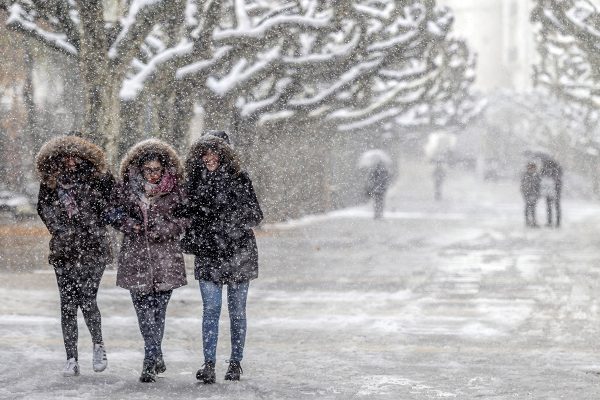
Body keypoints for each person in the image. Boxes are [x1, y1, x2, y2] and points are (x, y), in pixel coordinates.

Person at [181, 133, 263, 384]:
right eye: (204, 153)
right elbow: (185, 214)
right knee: (211, 310)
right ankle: (208, 364)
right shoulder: (193, 181)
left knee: (237, 311)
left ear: (225, 153)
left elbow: (255, 215)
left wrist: (229, 220)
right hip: (208, 254)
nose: (209, 158)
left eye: (214, 152)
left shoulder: (240, 178)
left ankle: (235, 363)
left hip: (239, 253)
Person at [36, 135, 113, 377]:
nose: (70, 160)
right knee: (67, 305)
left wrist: (93, 222)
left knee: (88, 299)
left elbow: (112, 204)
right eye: (65, 155)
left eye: (75, 154)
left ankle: (98, 344)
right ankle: (71, 358)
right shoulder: (51, 180)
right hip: (64, 250)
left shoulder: (98, 178)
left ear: (84, 155)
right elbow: (43, 207)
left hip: (94, 249)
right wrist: (60, 228)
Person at [111, 139, 187, 383]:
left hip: (166, 259)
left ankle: (151, 356)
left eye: (157, 170)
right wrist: (130, 225)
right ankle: (152, 356)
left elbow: (187, 218)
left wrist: (168, 228)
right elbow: (113, 213)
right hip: (136, 259)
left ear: (164, 169)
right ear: (139, 169)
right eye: (148, 170)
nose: (152, 175)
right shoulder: (126, 189)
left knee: (158, 313)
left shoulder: (176, 189)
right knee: (143, 313)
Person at [520, 161, 541, 227]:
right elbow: (523, 185)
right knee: (528, 207)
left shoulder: (536, 175)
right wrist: (524, 192)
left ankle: (533, 221)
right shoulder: (526, 175)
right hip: (527, 193)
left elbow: (539, 185)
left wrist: (537, 193)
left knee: (533, 208)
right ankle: (528, 221)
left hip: (534, 193)